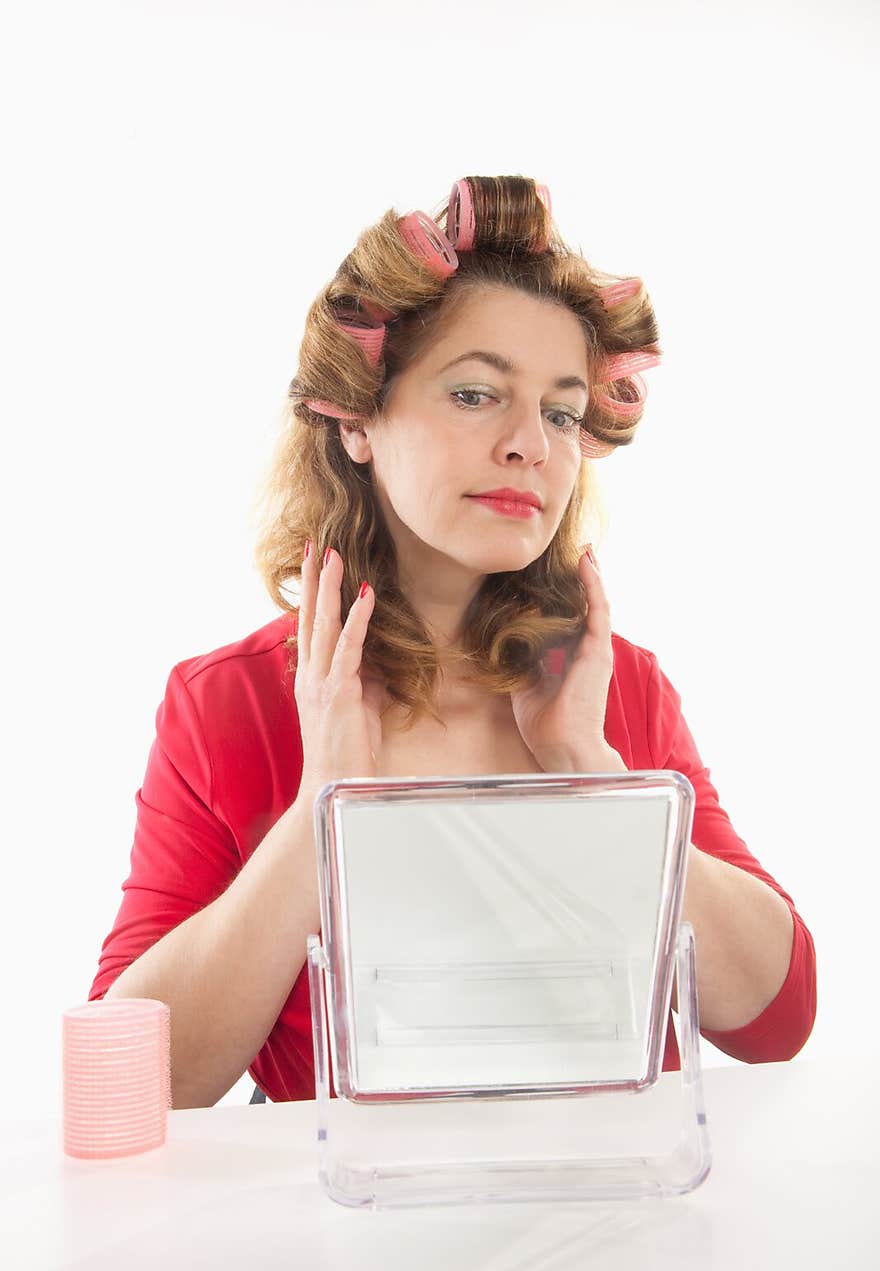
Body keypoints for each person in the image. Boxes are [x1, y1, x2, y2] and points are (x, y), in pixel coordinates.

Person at [89, 175, 816, 1107]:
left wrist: (595, 776)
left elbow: (779, 1018)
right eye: (476, 394)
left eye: (559, 411)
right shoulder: (229, 703)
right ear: (357, 419)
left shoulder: (613, 688)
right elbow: (130, 1083)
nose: (532, 446)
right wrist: (321, 805)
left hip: (615, 1229)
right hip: (347, 1238)